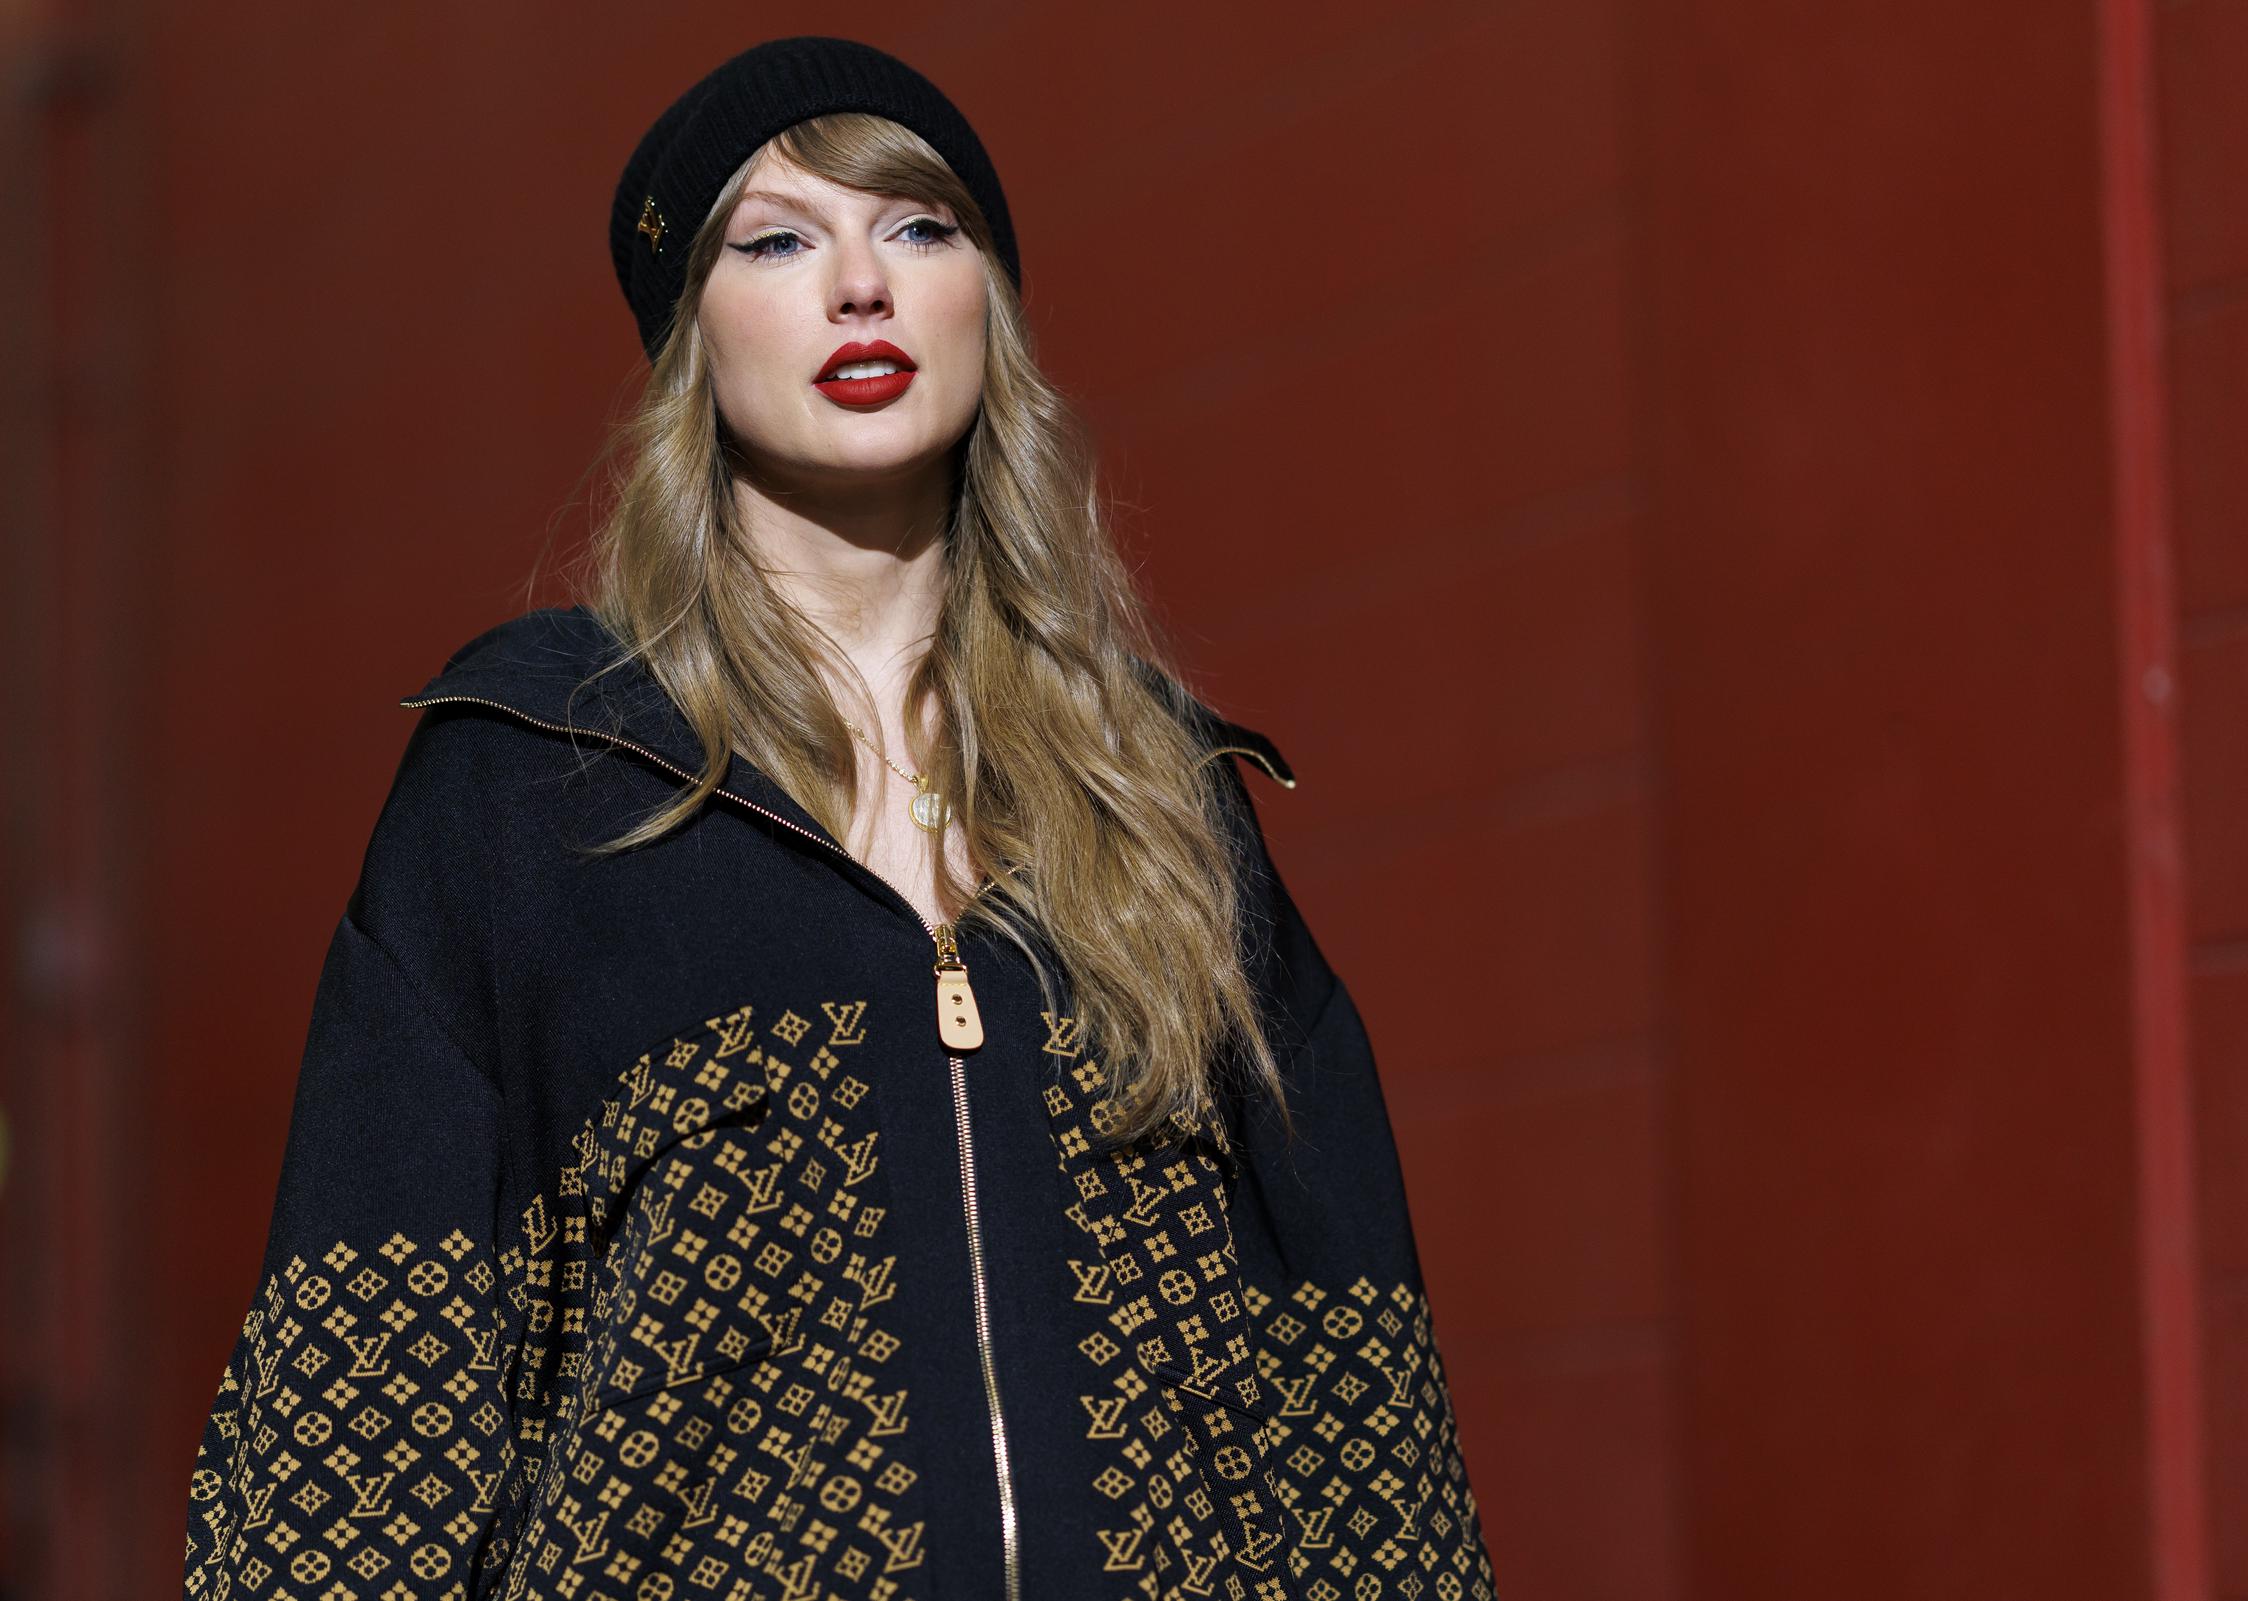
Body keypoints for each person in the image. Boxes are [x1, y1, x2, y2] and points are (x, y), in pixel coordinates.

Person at [180, 34, 1499, 1601]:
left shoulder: (1157, 798)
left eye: (919, 228)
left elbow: (1358, 1412)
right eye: (779, 239)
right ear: (694, 344)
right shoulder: (537, 778)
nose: (860, 285)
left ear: (986, 314)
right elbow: (358, 1422)